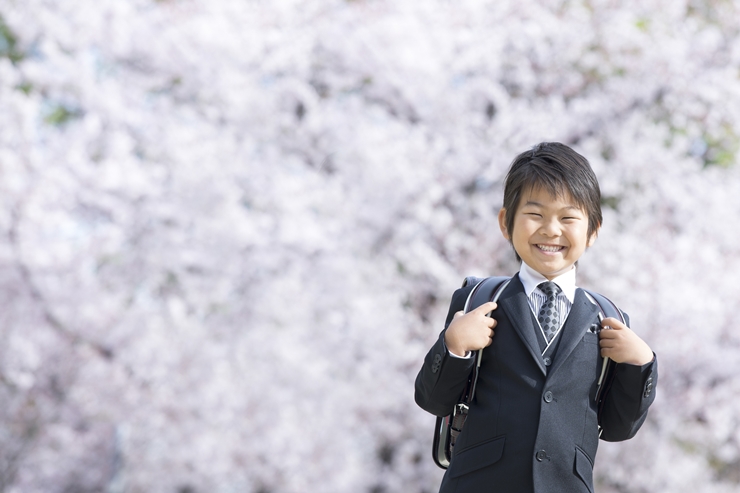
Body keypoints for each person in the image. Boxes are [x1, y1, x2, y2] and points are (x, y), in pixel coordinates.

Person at [415, 142, 657, 493]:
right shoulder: (479, 300)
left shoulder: (609, 319)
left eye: (568, 217)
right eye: (535, 214)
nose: (551, 229)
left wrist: (641, 363)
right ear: (506, 222)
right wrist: (453, 346)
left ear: (593, 231)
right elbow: (432, 399)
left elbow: (619, 428)